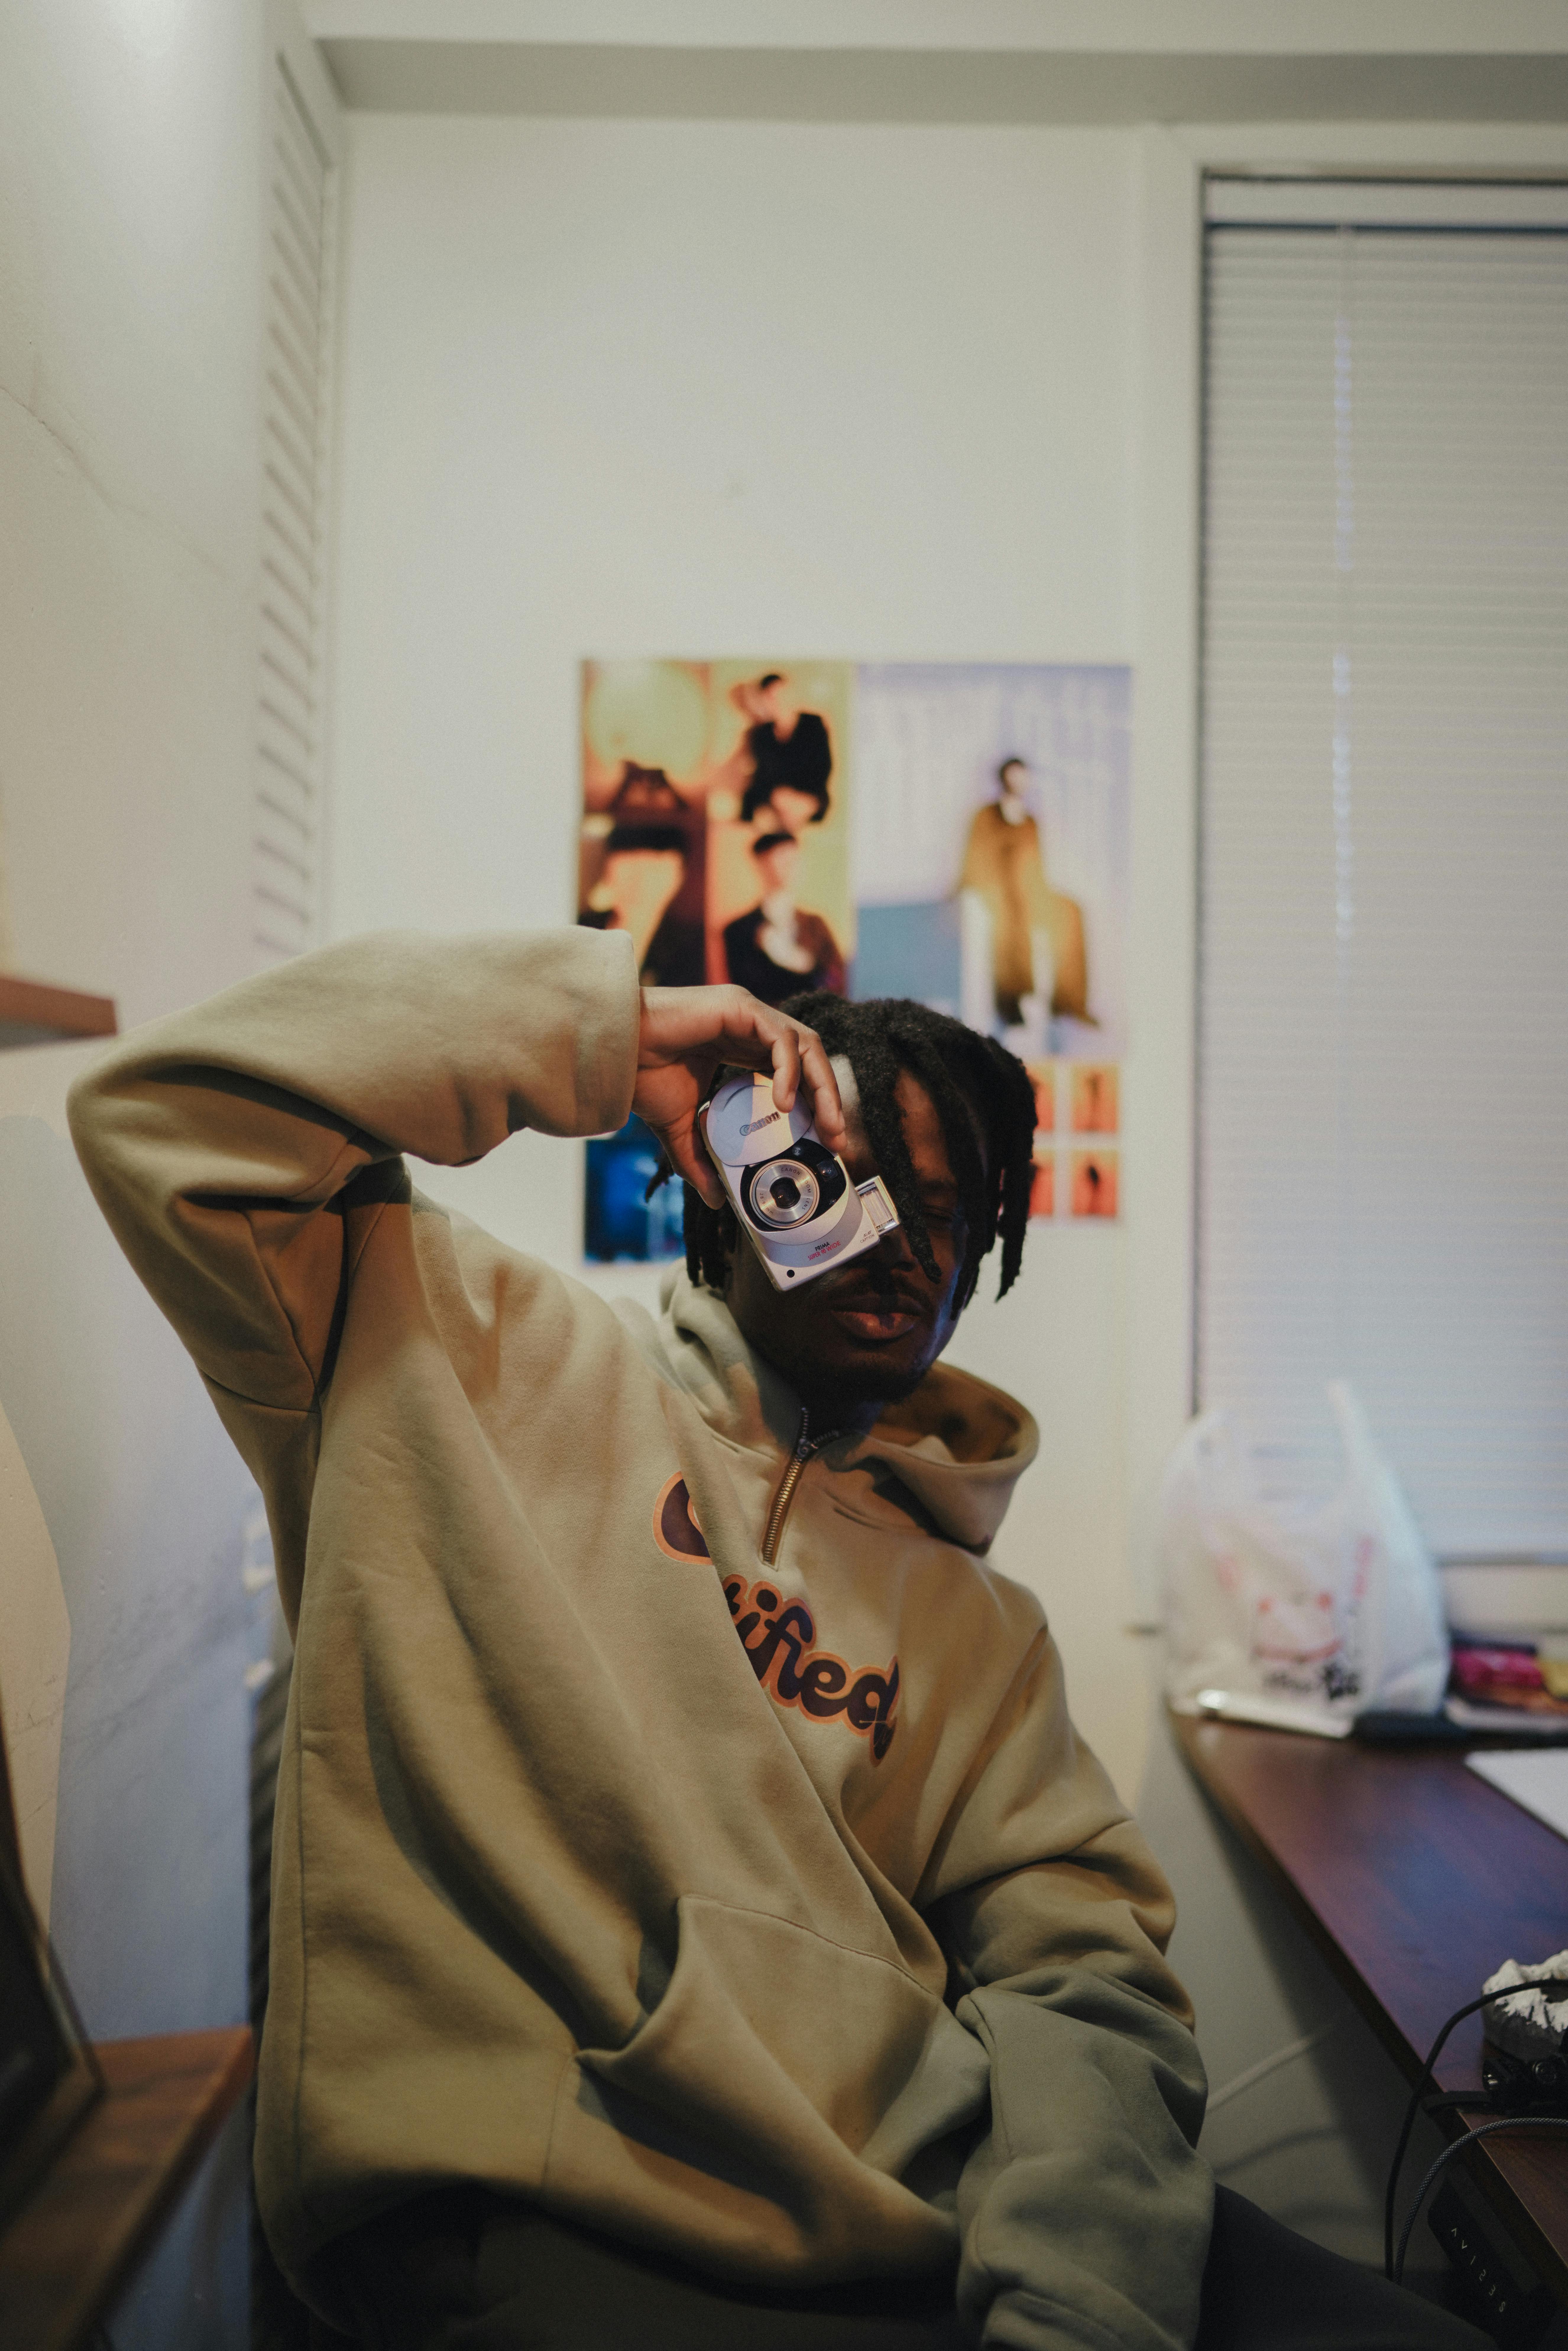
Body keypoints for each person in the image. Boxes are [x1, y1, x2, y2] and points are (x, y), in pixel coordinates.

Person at [67, 931, 1490, 2351]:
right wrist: (607, 1038)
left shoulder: (979, 1632)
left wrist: (1077, 2297)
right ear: (728, 1184)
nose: (900, 1247)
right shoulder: (448, 1351)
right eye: (848, 1186)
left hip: (936, 2201)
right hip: (550, 2193)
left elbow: (1084, 1986)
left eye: (949, 1214)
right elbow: (166, 1122)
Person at [958, 759, 1089, 1031]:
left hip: (1030, 892)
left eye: (1023, 778)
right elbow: (975, 861)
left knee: (1071, 911)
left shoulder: (1030, 821)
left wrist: (1040, 895)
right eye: (1013, 777)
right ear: (1003, 779)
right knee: (1010, 918)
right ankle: (1010, 1000)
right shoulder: (986, 816)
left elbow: (1037, 867)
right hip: (998, 892)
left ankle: (1069, 1001)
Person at [579, 765, 705, 987]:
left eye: (654, 868)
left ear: (677, 878)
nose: (640, 881)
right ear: (608, 871)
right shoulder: (581, 930)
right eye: (629, 865)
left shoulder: (688, 948)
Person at [723, 830, 846, 1007]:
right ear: (761, 862)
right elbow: (746, 997)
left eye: (795, 856)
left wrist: (794, 959)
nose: (790, 864)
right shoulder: (739, 930)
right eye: (781, 856)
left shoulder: (817, 925)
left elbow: (838, 984)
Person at [736, 672, 834, 832]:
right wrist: (778, 796)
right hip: (775, 797)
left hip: (809, 794)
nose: (779, 703)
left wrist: (796, 797)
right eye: (771, 698)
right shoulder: (762, 734)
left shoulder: (813, 725)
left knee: (793, 809)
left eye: (784, 696)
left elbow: (823, 767)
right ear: (764, 701)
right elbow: (763, 776)